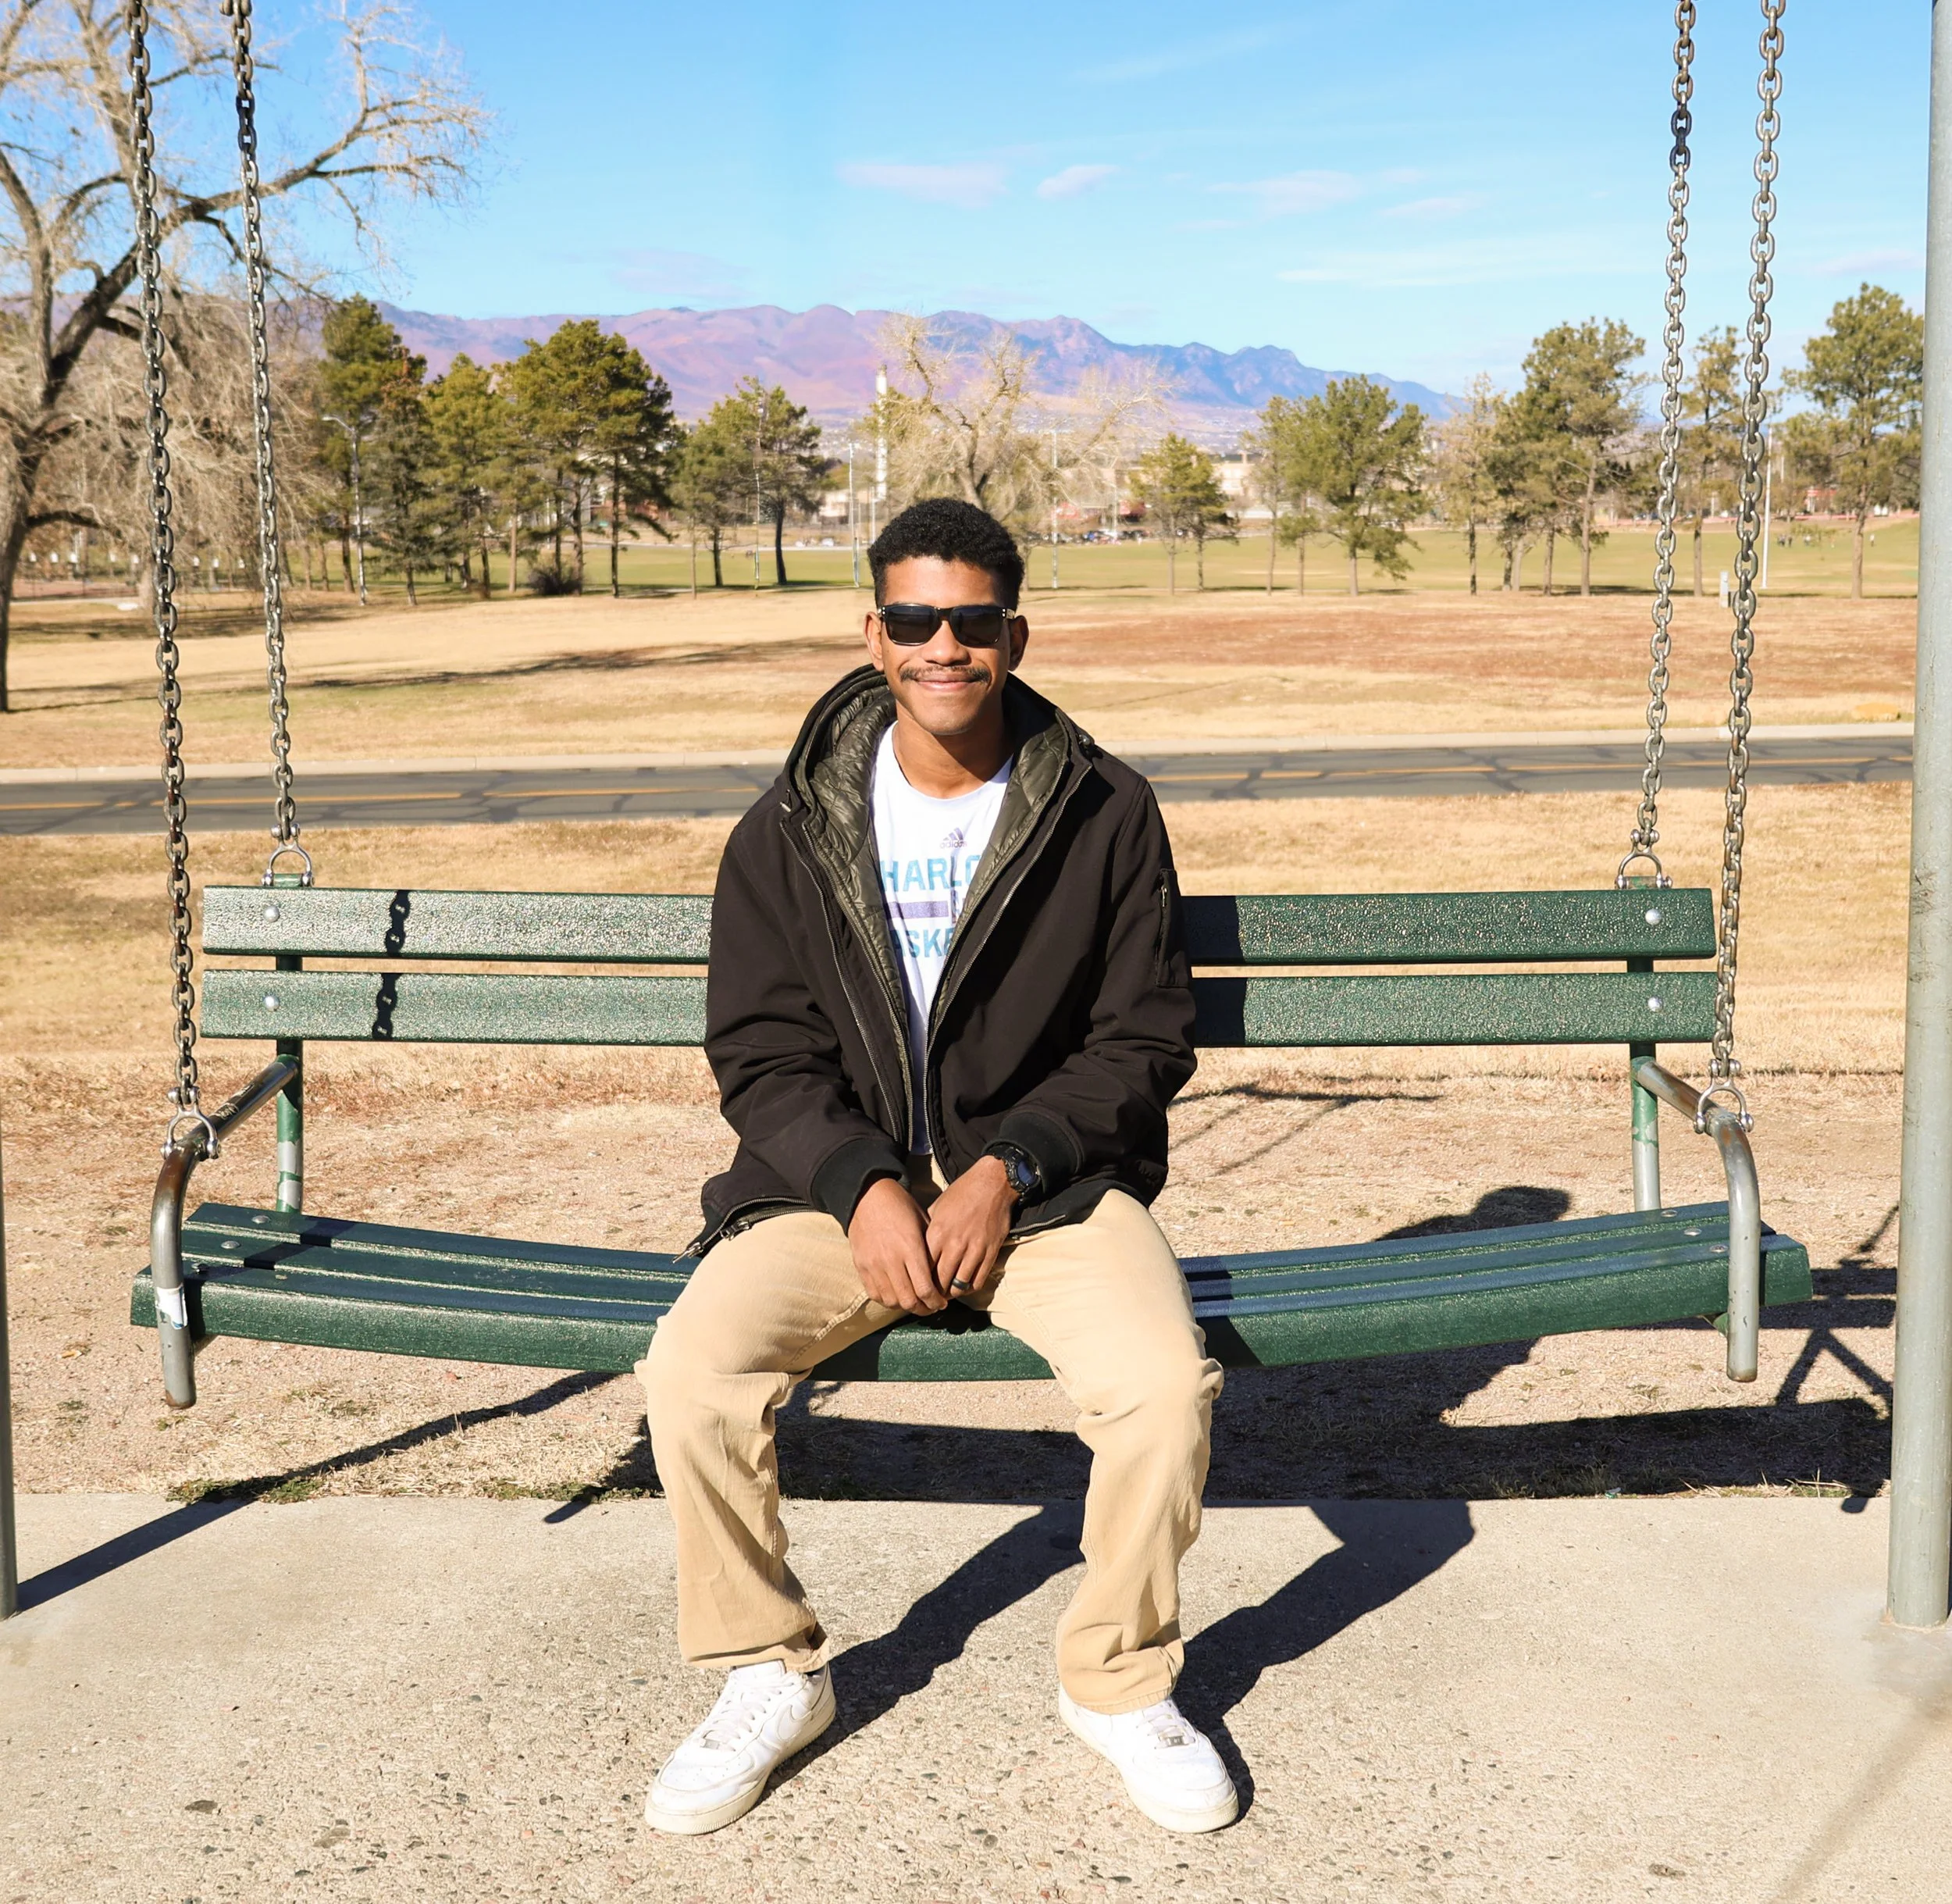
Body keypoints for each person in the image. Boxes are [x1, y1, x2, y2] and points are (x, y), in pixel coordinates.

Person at [638, 497, 1234, 1838]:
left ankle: (1117, 1681)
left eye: (971, 621)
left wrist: (1007, 1167)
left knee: (1159, 1386)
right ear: (874, 632)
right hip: (831, 1198)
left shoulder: (1102, 810)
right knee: (693, 1368)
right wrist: (862, 1182)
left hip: (1051, 1194)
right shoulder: (790, 827)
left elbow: (1143, 1039)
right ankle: (765, 1674)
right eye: (914, 620)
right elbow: (761, 1054)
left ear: (1014, 633)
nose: (942, 646)